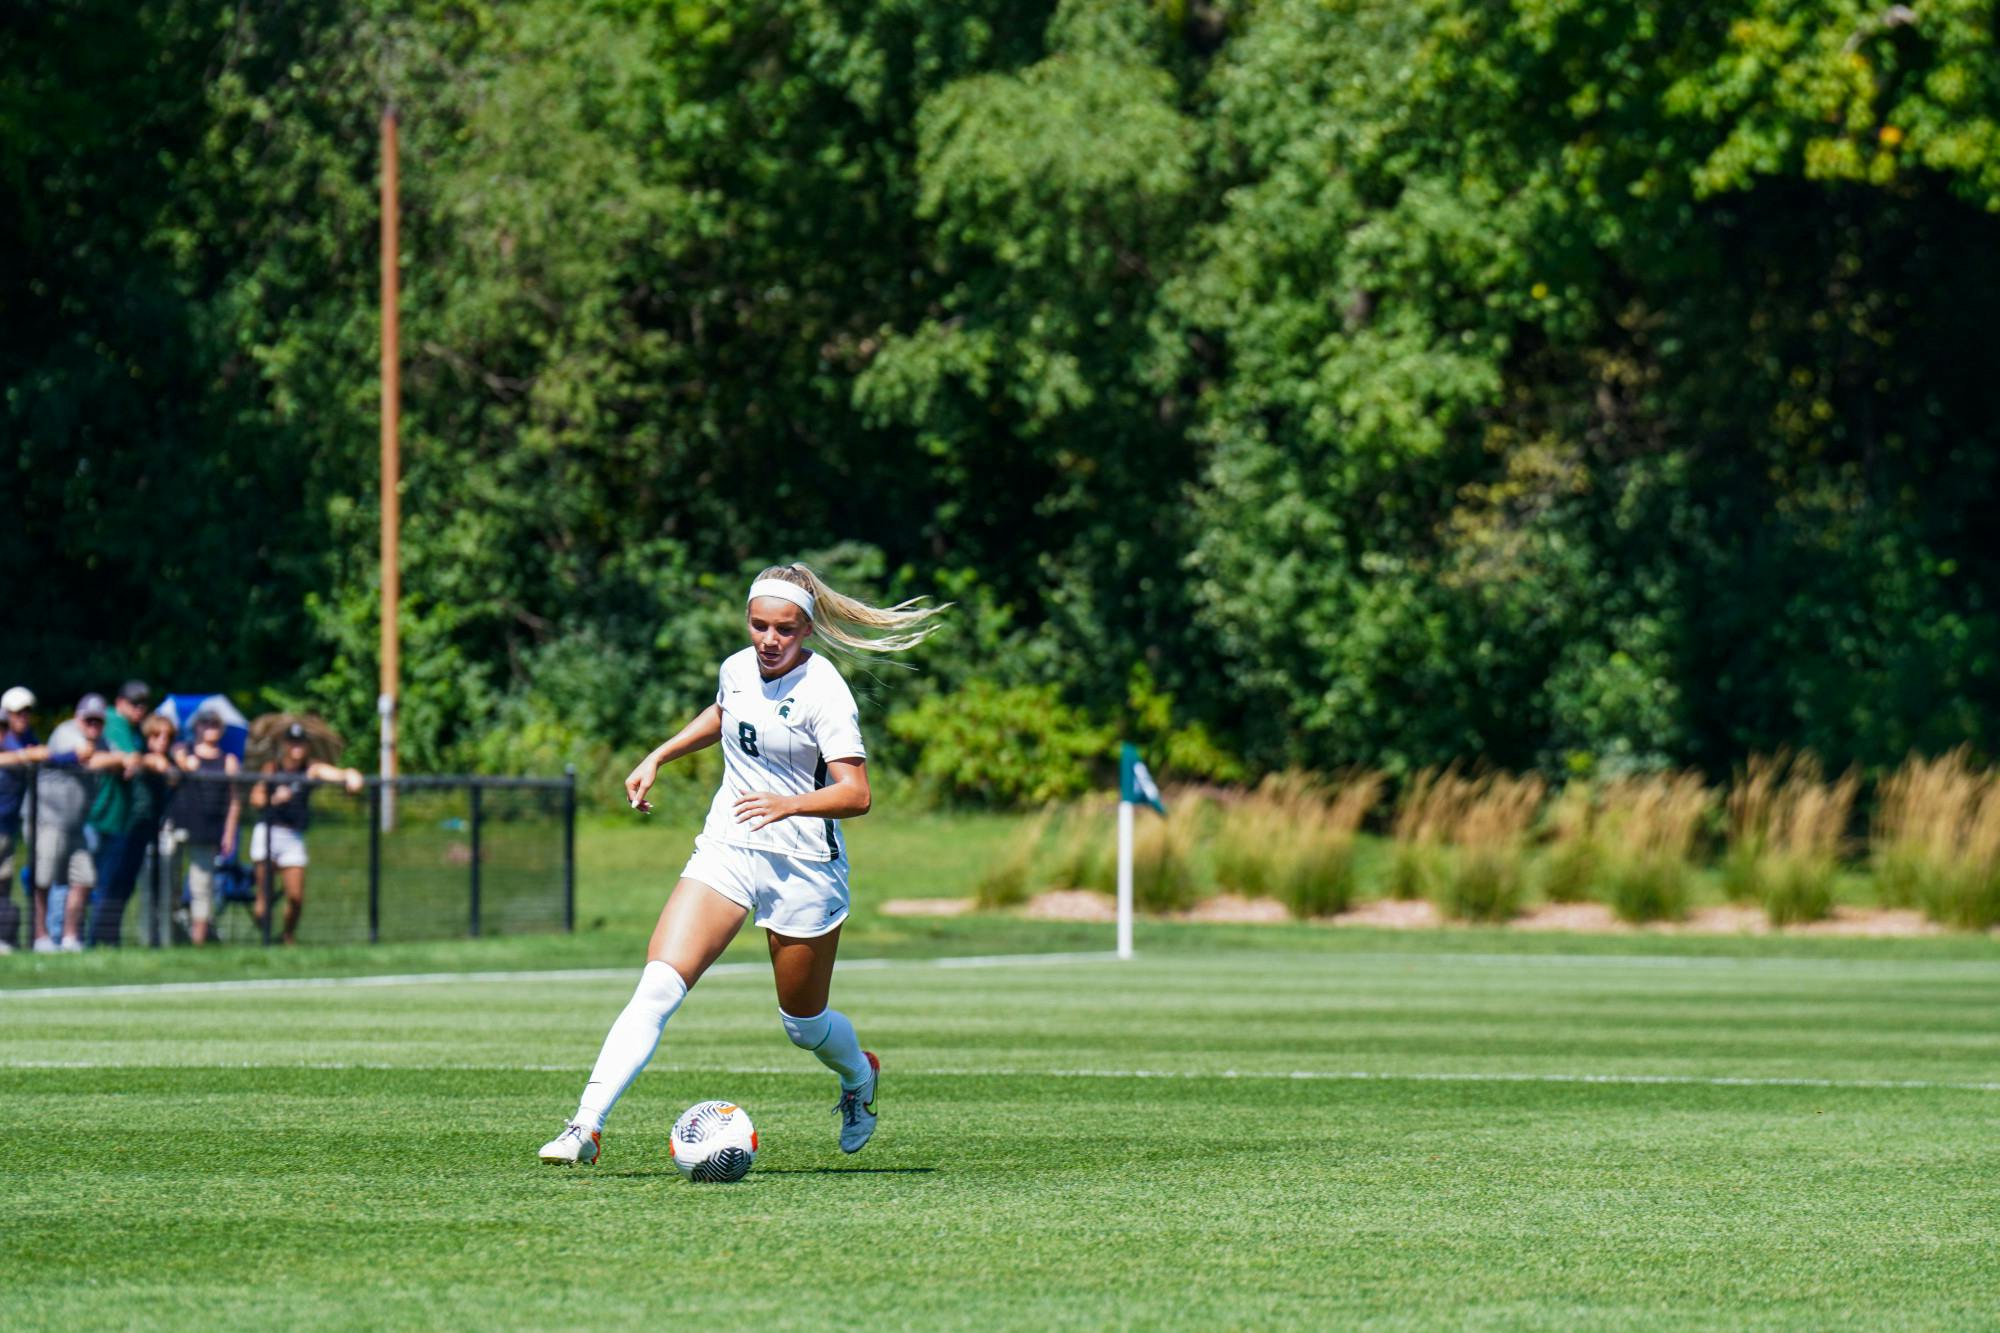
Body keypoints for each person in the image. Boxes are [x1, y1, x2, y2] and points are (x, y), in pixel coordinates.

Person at [538, 562, 946, 1166]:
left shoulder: (825, 691)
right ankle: (584, 1127)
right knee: (656, 987)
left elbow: (856, 793)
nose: (769, 640)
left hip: (805, 864)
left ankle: (859, 1076)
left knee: (802, 1024)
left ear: (806, 628)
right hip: (728, 847)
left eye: (784, 629)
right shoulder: (735, 667)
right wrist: (660, 755)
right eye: (759, 626)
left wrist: (791, 805)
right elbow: (727, 713)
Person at [248, 721, 363, 946]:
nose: (297, 747)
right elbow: (256, 798)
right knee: (264, 897)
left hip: (292, 836)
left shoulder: (311, 769)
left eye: (301, 742)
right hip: (268, 832)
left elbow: (334, 773)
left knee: (296, 897)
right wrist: (273, 799)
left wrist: (350, 774)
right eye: (293, 742)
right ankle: (265, 939)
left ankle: (287, 937)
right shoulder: (272, 769)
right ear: (285, 745)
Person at [35, 695, 128, 952]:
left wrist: (124, 761)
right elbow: (87, 756)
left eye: (98, 721)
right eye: (89, 719)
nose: (93, 725)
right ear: (78, 717)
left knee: (84, 878)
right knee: (43, 879)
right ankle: (40, 937)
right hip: (48, 819)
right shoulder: (66, 732)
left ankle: (70, 938)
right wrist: (121, 759)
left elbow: (126, 765)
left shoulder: (104, 741)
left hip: (76, 824)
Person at [83, 680, 151, 947]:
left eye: (144, 704)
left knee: (116, 885)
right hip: (101, 817)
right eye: (134, 703)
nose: (139, 709)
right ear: (120, 702)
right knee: (99, 884)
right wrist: (130, 759)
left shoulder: (136, 730)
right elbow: (128, 759)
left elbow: (133, 761)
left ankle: (107, 939)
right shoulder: (112, 720)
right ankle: (94, 941)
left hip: (121, 821)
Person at [169, 711, 240, 946]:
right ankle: (169, 937)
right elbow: (171, 754)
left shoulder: (228, 760)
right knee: (169, 882)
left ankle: (197, 943)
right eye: (205, 722)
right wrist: (184, 763)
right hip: (178, 825)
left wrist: (229, 832)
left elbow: (235, 800)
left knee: (202, 887)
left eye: (215, 723)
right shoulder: (183, 750)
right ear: (196, 726)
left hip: (209, 829)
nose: (210, 727)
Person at [1, 686, 51, 953]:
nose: (23, 717)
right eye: (18, 712)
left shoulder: (27, 737)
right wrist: (24, 756)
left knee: (4, 881)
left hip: (8, 824)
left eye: (27, 712)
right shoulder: (5, 736)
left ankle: (3, 937)